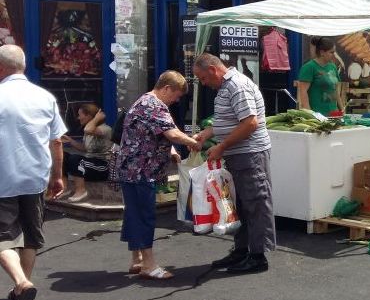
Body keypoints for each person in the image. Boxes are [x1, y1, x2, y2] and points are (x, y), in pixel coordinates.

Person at [0, 44, 66, 300]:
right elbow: (57, 141)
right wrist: (57, 176)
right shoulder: (44, 97)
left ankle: (22, 282)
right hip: (35, 177)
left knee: (3, 237)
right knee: (30, 235)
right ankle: (22, 285)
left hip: (3, 178)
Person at [193, 53, 275, 274]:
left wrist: (221, 146)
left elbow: (250, 123)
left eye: (202, 78)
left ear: (212, 69)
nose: (204, 83)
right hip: (237, 156)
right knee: (238, 205)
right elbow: (228, 120)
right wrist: (207, 133)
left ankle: (258, 257)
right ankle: (241, 252)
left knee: (256, 203)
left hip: (250, 155)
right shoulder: (226, 87)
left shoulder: (237, 85)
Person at [115, 71, 201, 280]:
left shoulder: (143, 101)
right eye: (176, 95)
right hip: (142, 170)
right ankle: (149, 265)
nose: (176, 100)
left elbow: (152, 133)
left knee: (134, 213)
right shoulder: (155, 105)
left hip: (131, 168)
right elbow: (171, 132)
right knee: (144, 215)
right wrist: (193, 142)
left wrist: (169, 150)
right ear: (167, 88)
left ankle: (136, 260)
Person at [59, 103, 112, 203]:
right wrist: (70, 141)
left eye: (80, 115)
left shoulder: (105, 129)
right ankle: (65, 188)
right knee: (63, 156)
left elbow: (88, 129)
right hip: (90, 164)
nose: (78, 118)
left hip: (102, 167)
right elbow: (85, 148)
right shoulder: (88, 131)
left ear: (89, 116)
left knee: (75, 159)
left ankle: (81, 191)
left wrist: (96, 118)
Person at [297, 37, 343, 115]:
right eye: (331, 52)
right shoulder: (309, 67)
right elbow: (303, 92)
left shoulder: (333, 66)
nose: (334, 55)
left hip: (333, 114)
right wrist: (310, 114)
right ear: (322, 52)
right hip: (317, 114)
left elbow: (336, 91)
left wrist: (342, 109)